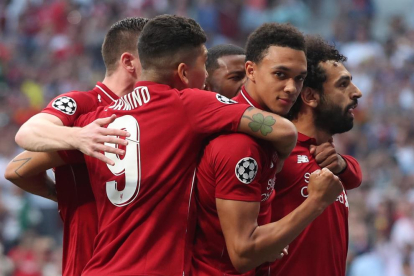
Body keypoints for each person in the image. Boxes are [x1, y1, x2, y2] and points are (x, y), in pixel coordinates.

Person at [9, 15, 299, 276]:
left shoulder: (95, 120)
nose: (208, 76)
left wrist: (76, 157)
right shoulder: (186, 105)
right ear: (183, 72)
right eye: (205, 64)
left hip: (98, 267)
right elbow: (284, 130)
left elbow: (18, 169)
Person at [191, 23, 344, 275]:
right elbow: (242, 252)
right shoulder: (241, 144)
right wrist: (316, 202)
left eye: (299, 78)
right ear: (250, 70)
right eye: (280, 74)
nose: (291, 88)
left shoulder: (268, 134)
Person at [5, 17, 149, 276]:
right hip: (88, 262)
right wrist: (80, 138)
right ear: (129, 62)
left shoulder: (152, 113)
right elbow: (27, 134)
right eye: (153, 54)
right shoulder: (84, 104)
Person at [264, 35, 363, 276]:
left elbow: (355, 176)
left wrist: (341, 164)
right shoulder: (274, 155)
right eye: (343, 84)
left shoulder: (330, 159)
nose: (357, 92)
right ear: (310, 96)